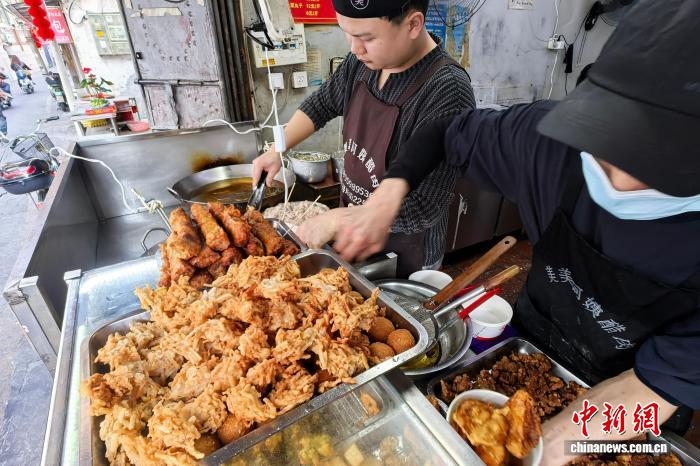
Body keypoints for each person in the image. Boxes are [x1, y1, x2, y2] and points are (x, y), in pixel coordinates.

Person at [318, 0, 700, 463]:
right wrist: (386, 197)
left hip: (638, 404)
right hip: (533, 347)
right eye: (607, 145)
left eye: (651, 169)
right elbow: (444, 133)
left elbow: (658, 389)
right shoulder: (551, 143)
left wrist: (542, 448)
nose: (616, 179)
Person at [252, 0, 475, 276]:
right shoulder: (362, 62)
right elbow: (322, 104)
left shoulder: (449, 90)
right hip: (351, 238)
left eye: (367, 38)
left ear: (413, 25)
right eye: (347, 34)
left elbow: (426, 206)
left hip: (407, 254)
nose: (355, 48)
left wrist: (339, 220)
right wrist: (277, 148)